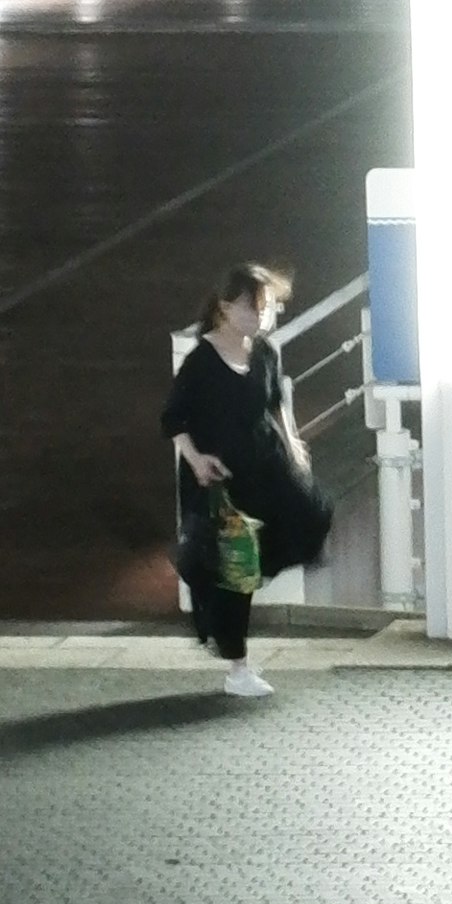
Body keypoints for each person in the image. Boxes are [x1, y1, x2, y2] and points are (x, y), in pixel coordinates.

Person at [167, 266, 328, 697]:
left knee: (309, 517)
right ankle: (237, 667)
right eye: (255, 308)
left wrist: (294, 446)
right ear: (225, 308)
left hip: (265, 466)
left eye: (268, 308)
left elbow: (277, 404)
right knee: (229, 572)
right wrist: (197, 459)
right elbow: (174, 419)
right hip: (218, 477)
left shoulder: (266, 353)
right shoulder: (200, 361)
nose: (263, 317)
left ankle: (235, 654)